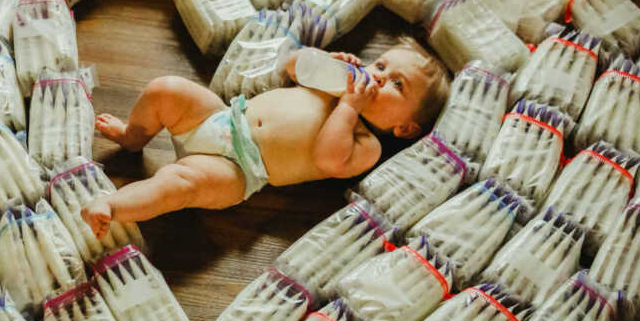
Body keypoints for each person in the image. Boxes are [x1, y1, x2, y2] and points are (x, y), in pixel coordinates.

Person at [81, 38, 450, 235]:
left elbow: (327, 158)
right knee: (166, 89)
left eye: (397, 84)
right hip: (223, 116)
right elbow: (291, 65)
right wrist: (318, 60)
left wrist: (350, 107)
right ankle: (133, 137)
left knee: (181, 184)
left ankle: (113, 206)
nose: (380, 77)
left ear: (404, 128)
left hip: (238, 168)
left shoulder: (366, 143)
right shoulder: (335, 89)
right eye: (381, 65)